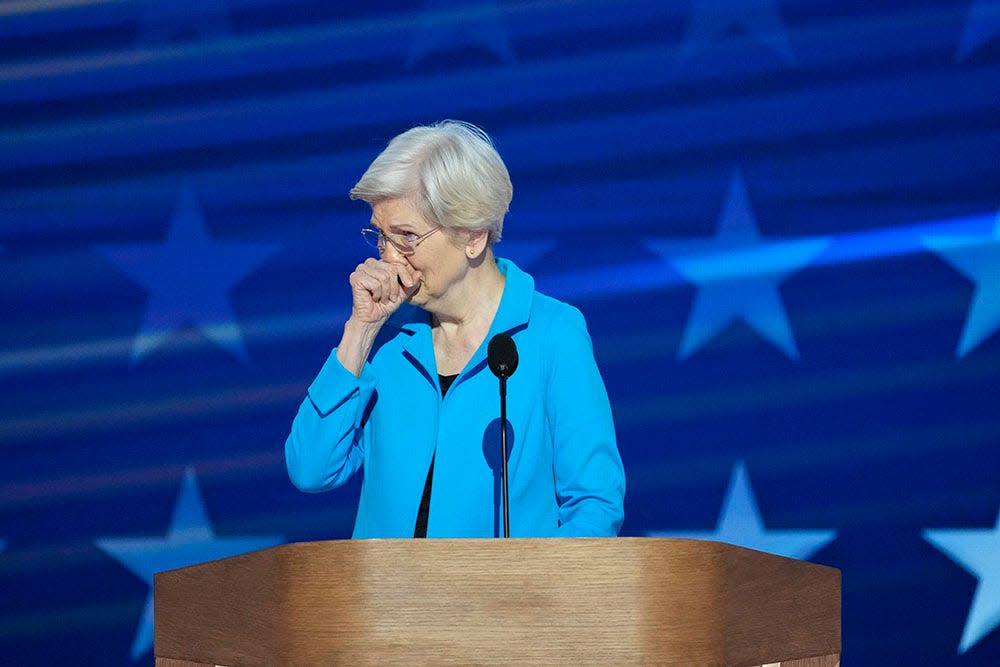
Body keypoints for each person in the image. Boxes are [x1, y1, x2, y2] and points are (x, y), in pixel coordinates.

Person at [285, 120, 625, 538]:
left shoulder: (553, 334)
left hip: (506, 602)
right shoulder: (385, 338)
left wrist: (534, 598)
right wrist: (359, 331)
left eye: (406, 237)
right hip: (384, 602)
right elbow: (311, 470)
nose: (388, 259)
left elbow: (594, 504)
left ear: (472, 236)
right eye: (380, 236)